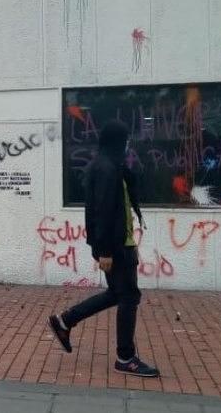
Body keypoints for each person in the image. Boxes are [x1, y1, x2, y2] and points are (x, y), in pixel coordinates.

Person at [48, 120, 159, 378]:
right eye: (126, 140)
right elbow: (103, 212)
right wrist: (105, 250)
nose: (128, 145)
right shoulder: (107, 169)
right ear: (117, 142)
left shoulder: (111, 166)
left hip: (120, 243)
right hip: (116, 245)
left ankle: (64, 321)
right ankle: (125, 357)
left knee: (116, 294)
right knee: (128, 297)